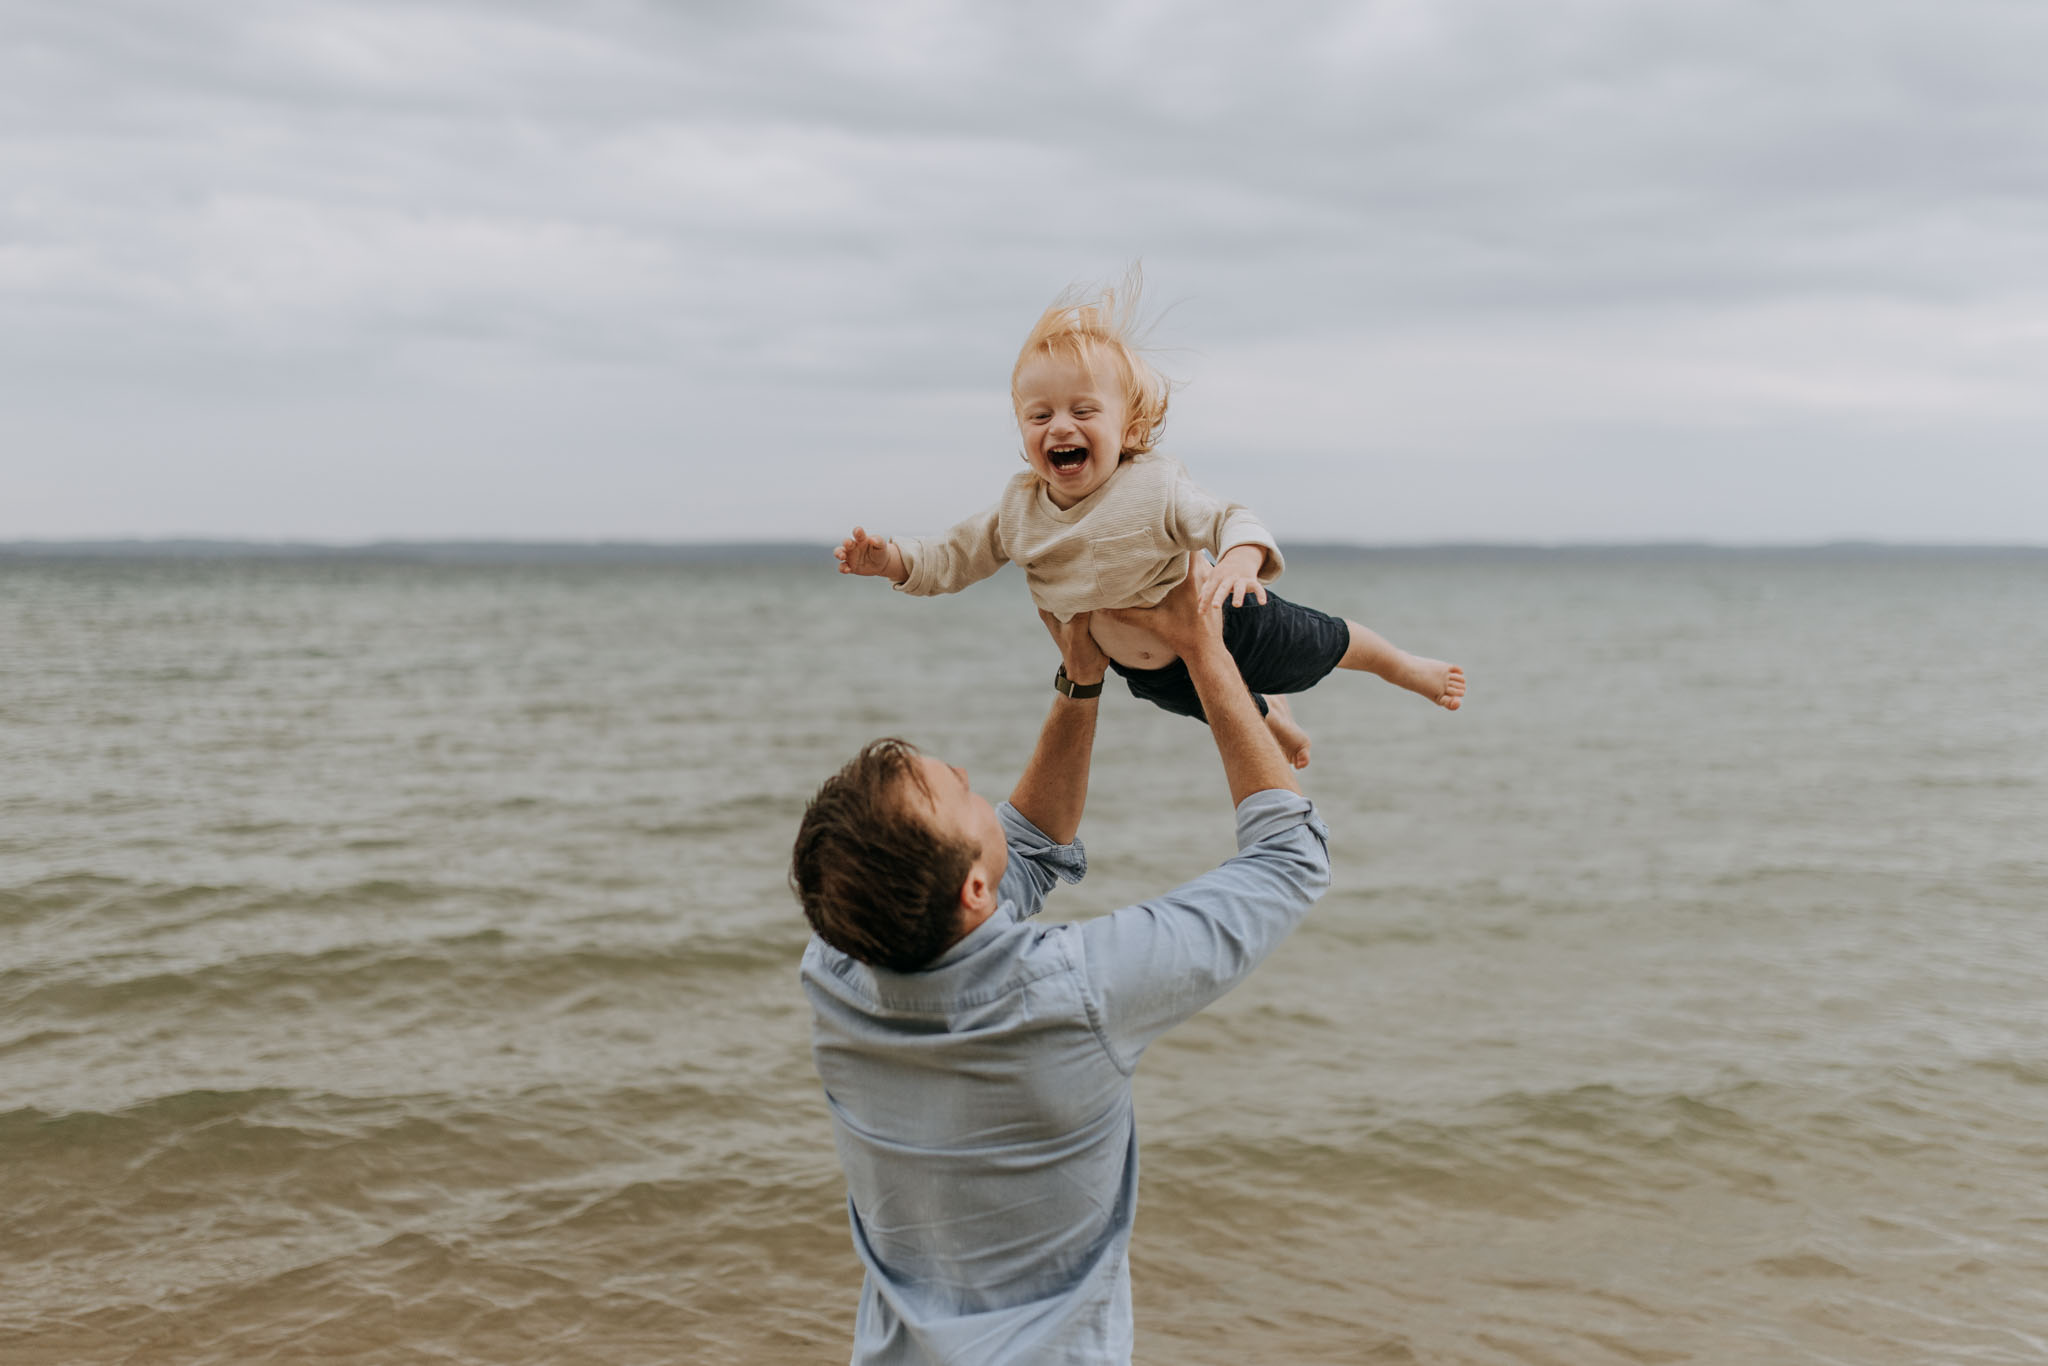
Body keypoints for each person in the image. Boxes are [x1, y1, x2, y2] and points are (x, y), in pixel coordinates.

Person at [792, 561, 1333, 1364]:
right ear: (974, 890)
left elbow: (1029, 849)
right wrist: (1206, 650)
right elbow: (1290, 861)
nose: (979, 785)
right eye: (963, 797)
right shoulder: (1073, 994)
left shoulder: (835, 969)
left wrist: (1082, 683)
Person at [832, 270, 1464, 769]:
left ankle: (1404, 666)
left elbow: (1227, 518)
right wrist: (891, 560)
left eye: (1083, 410)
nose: (1059, 426)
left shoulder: (1153, 486)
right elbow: (952, 556)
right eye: (1039, 414)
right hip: (1148, 672)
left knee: (1326, 642)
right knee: (1220, 710)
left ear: (1127, 428)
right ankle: (1279, 721)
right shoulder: (1018, 509)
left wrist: (1243, 559)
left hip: (1232, 619)